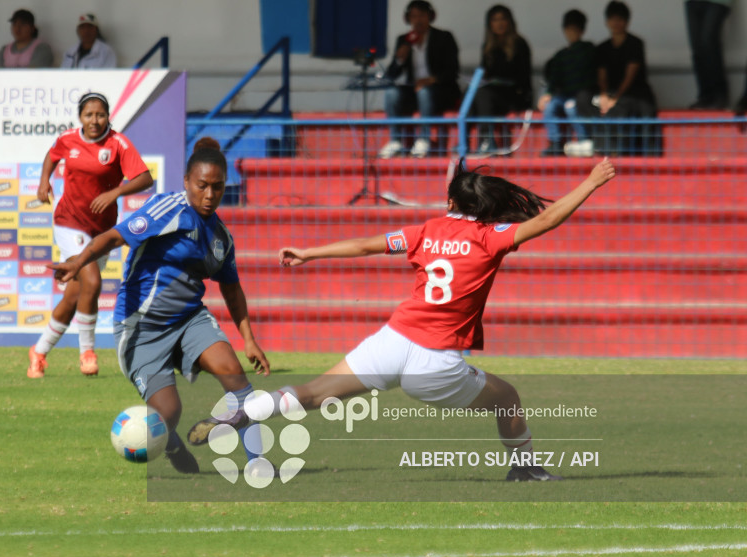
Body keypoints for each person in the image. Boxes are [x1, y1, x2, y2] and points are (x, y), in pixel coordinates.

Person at [189, 158, 617, 482]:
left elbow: (363, 246)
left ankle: (245, 412)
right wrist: (592, 182)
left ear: (450, 203)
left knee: (316, 393)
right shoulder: (491, 238)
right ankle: (525, 470)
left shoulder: (425, 231)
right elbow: (547, 218)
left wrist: (310, 252)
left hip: (392, 341)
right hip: (436, 363)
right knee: (507, 397)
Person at [49, 138, 271, 474]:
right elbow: (113, 237)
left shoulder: (221, 237)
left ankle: (260, 465)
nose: (209, 195)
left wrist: (249, 339)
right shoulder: (168, 210)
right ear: (186, 182)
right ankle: (170, 442)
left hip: (189, 320)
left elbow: (232, 288)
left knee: (237, 379)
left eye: (218, 187)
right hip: (141, 327)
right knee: (168, 414)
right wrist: (78, 262)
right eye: (202, 186)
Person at [27, 92, 153, 379]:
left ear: (108, 116)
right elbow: (52, 155)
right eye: (88, 115)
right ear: (80, 117)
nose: (94, 120)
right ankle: (87, 352)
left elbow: (145, 178)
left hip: (100, 229)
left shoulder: (118, 143)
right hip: (69, 222)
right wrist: (44, 180)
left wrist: (116, 191)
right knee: (92, 280)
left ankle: (39, 352)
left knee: (75, 295)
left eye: (100, 114)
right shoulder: (69, 139)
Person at [377, 0, 461, 159]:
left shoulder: (443, 37)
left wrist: (430, 80)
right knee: (391, 93)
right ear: (408, 19)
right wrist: (399, 59)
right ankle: (395, 141)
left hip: (440, 91)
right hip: (414, 91)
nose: (418, 20)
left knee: (424, 91)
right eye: (414, 16)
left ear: (430, 16)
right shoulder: (404, 39)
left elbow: (452, 71)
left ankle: (424, 139)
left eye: (421, 15)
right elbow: (392, 75)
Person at [575, 1, 660, 156]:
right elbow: (602, 76)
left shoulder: (635, 44)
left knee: (627, 109)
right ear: (607, 22)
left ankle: (627, 153)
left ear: (627, 21)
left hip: (635, 92)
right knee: (584, 99)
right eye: (612, 19)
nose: (616, 23)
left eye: (620, 19)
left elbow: (630, 75)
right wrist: (604, 95)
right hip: (610, 91)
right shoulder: (602, 48)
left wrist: (615, 98)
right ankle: (593, 145)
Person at [467, 5, 532, 154]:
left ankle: (486, 139)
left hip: (513, 95)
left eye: (503, 19)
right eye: (495, 20)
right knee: (473, 90)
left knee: (483, 93)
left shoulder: (519, 44)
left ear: (509, 22)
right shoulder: (488, 46)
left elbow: (522, 77)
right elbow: (484, 71)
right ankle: (468, 140)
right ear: (490, 24)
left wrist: (498, 80)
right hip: (492, 94)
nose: (500, 23)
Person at [538, 10, 596, 157]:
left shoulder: (588, 50)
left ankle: (584, 142)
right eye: (569, 29)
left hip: (581, 96)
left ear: (582, 30)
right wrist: (547, 94)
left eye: (575, 29)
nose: (571, 33)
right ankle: (555, 143)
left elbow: (593, 76)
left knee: (571, 107)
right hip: (564, 94)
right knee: (550, 106)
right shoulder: (561, 55)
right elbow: (554, 78)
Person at [685, 0, 731, 110]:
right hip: (692, 2)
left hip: (718, 2)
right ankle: (705, 96)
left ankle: (719, 95)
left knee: (709, 44)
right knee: (697, 48)